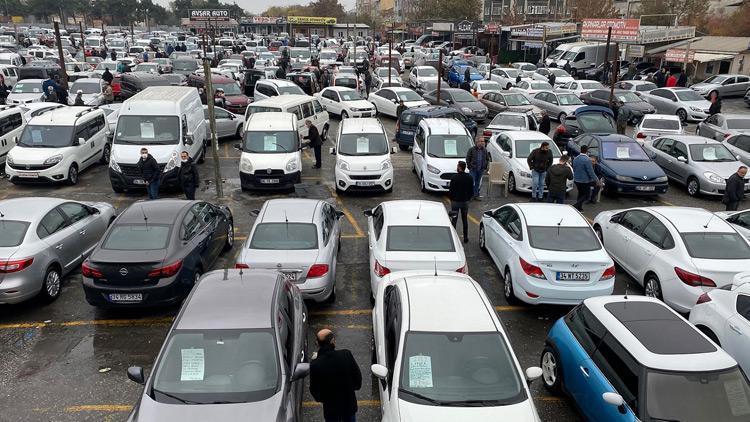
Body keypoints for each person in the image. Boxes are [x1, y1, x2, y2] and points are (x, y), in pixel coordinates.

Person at [310, 329, 362, 422]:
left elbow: (315, 391)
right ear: (332, 341)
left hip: (331, 410)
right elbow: (358, 379)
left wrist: (325, 399)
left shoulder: (315, 365)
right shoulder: (346, 354)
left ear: (317, 343)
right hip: (348, 406)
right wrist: (349, 389)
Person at [448, 161, 474, 243]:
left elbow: (451, 190)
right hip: (465, 202)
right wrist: (468, 198)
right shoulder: (469, 177)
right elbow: (471, 191)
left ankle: (453, 237)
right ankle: (465, 237)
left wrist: (451, 198)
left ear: (459, 167)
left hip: (455, 202)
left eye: (457, 166)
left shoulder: (454, 177)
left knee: (454, 220)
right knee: (465, 220)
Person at [572, 145, 599, 211]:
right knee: (586, 195)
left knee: (580, 193)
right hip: (584, 181)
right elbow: (591, 172)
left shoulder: (576, 158)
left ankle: (579, 208)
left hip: (576, 180)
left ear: (580, 150)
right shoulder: (587, 160)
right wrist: (597, 180)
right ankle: (575, 206)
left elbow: (574, 168)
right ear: (587, 151)